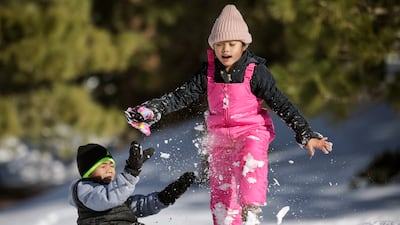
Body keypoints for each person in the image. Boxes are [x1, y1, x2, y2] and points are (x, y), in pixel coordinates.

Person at [124, 4, 333, 225]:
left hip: (251, 131)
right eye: (220, 45)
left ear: (243, 45)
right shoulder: (209, 72)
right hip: (220, 139)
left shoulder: (256, 72)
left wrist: (305, 133)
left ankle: (251, 212)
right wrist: (154, 109)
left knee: (249, 161)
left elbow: (281, 103)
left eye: (232, 44)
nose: (226, 50)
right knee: (221, 192)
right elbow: (181, 96)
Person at [69, 141, 195, 225]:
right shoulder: (83, 190)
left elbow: (139, 206)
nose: (109, 169)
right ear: (88, 172)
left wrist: (166, 196)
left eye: (111, 165)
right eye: (103, 166)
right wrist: (131, 172)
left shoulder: (116, 195)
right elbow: (106, 198)